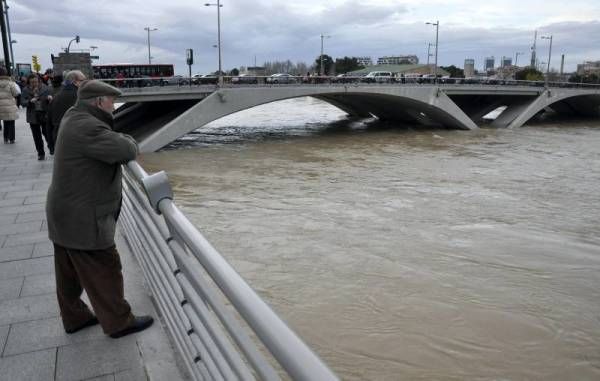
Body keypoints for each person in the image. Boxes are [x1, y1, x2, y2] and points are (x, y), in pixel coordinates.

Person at [46, 80, 153, 338]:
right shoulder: (88, 126)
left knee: (68, 274)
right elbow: (127, 148)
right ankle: (119, 322)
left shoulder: (74, 116)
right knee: (105, 266)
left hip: (64, 213)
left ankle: (75, 317)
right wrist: (125, 137)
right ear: (98, 102)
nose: (114, 107)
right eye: (111, 101)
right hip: (83, 217)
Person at [49, 70, 86, 146]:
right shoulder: (80, 97)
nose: (85, 83)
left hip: (59, 138)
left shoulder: (56, 97)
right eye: (83, 81)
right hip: (76, 140)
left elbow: (49, 123)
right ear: (75, 82)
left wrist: (51, 144)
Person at [21, 74, 52, 160]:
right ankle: (40, 153)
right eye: (32, 82)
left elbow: (52, 96)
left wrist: (50, 98)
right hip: (33, 115)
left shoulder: (46, 88)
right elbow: (22, 102)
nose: (34, 83)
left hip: (44, 114)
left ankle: (51, 147)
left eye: (36, 81)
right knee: (36, 136)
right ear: (29, 82)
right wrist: (30, 101)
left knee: (47, 133)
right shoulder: (25, 90)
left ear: (39, 81)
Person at [0, 67, 20, 143]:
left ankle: (5, 138)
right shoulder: (10, 83)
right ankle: (11, 138)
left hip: (1, 106)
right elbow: (16, 93)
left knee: (5, 122)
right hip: (10, 105)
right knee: (11, 122)